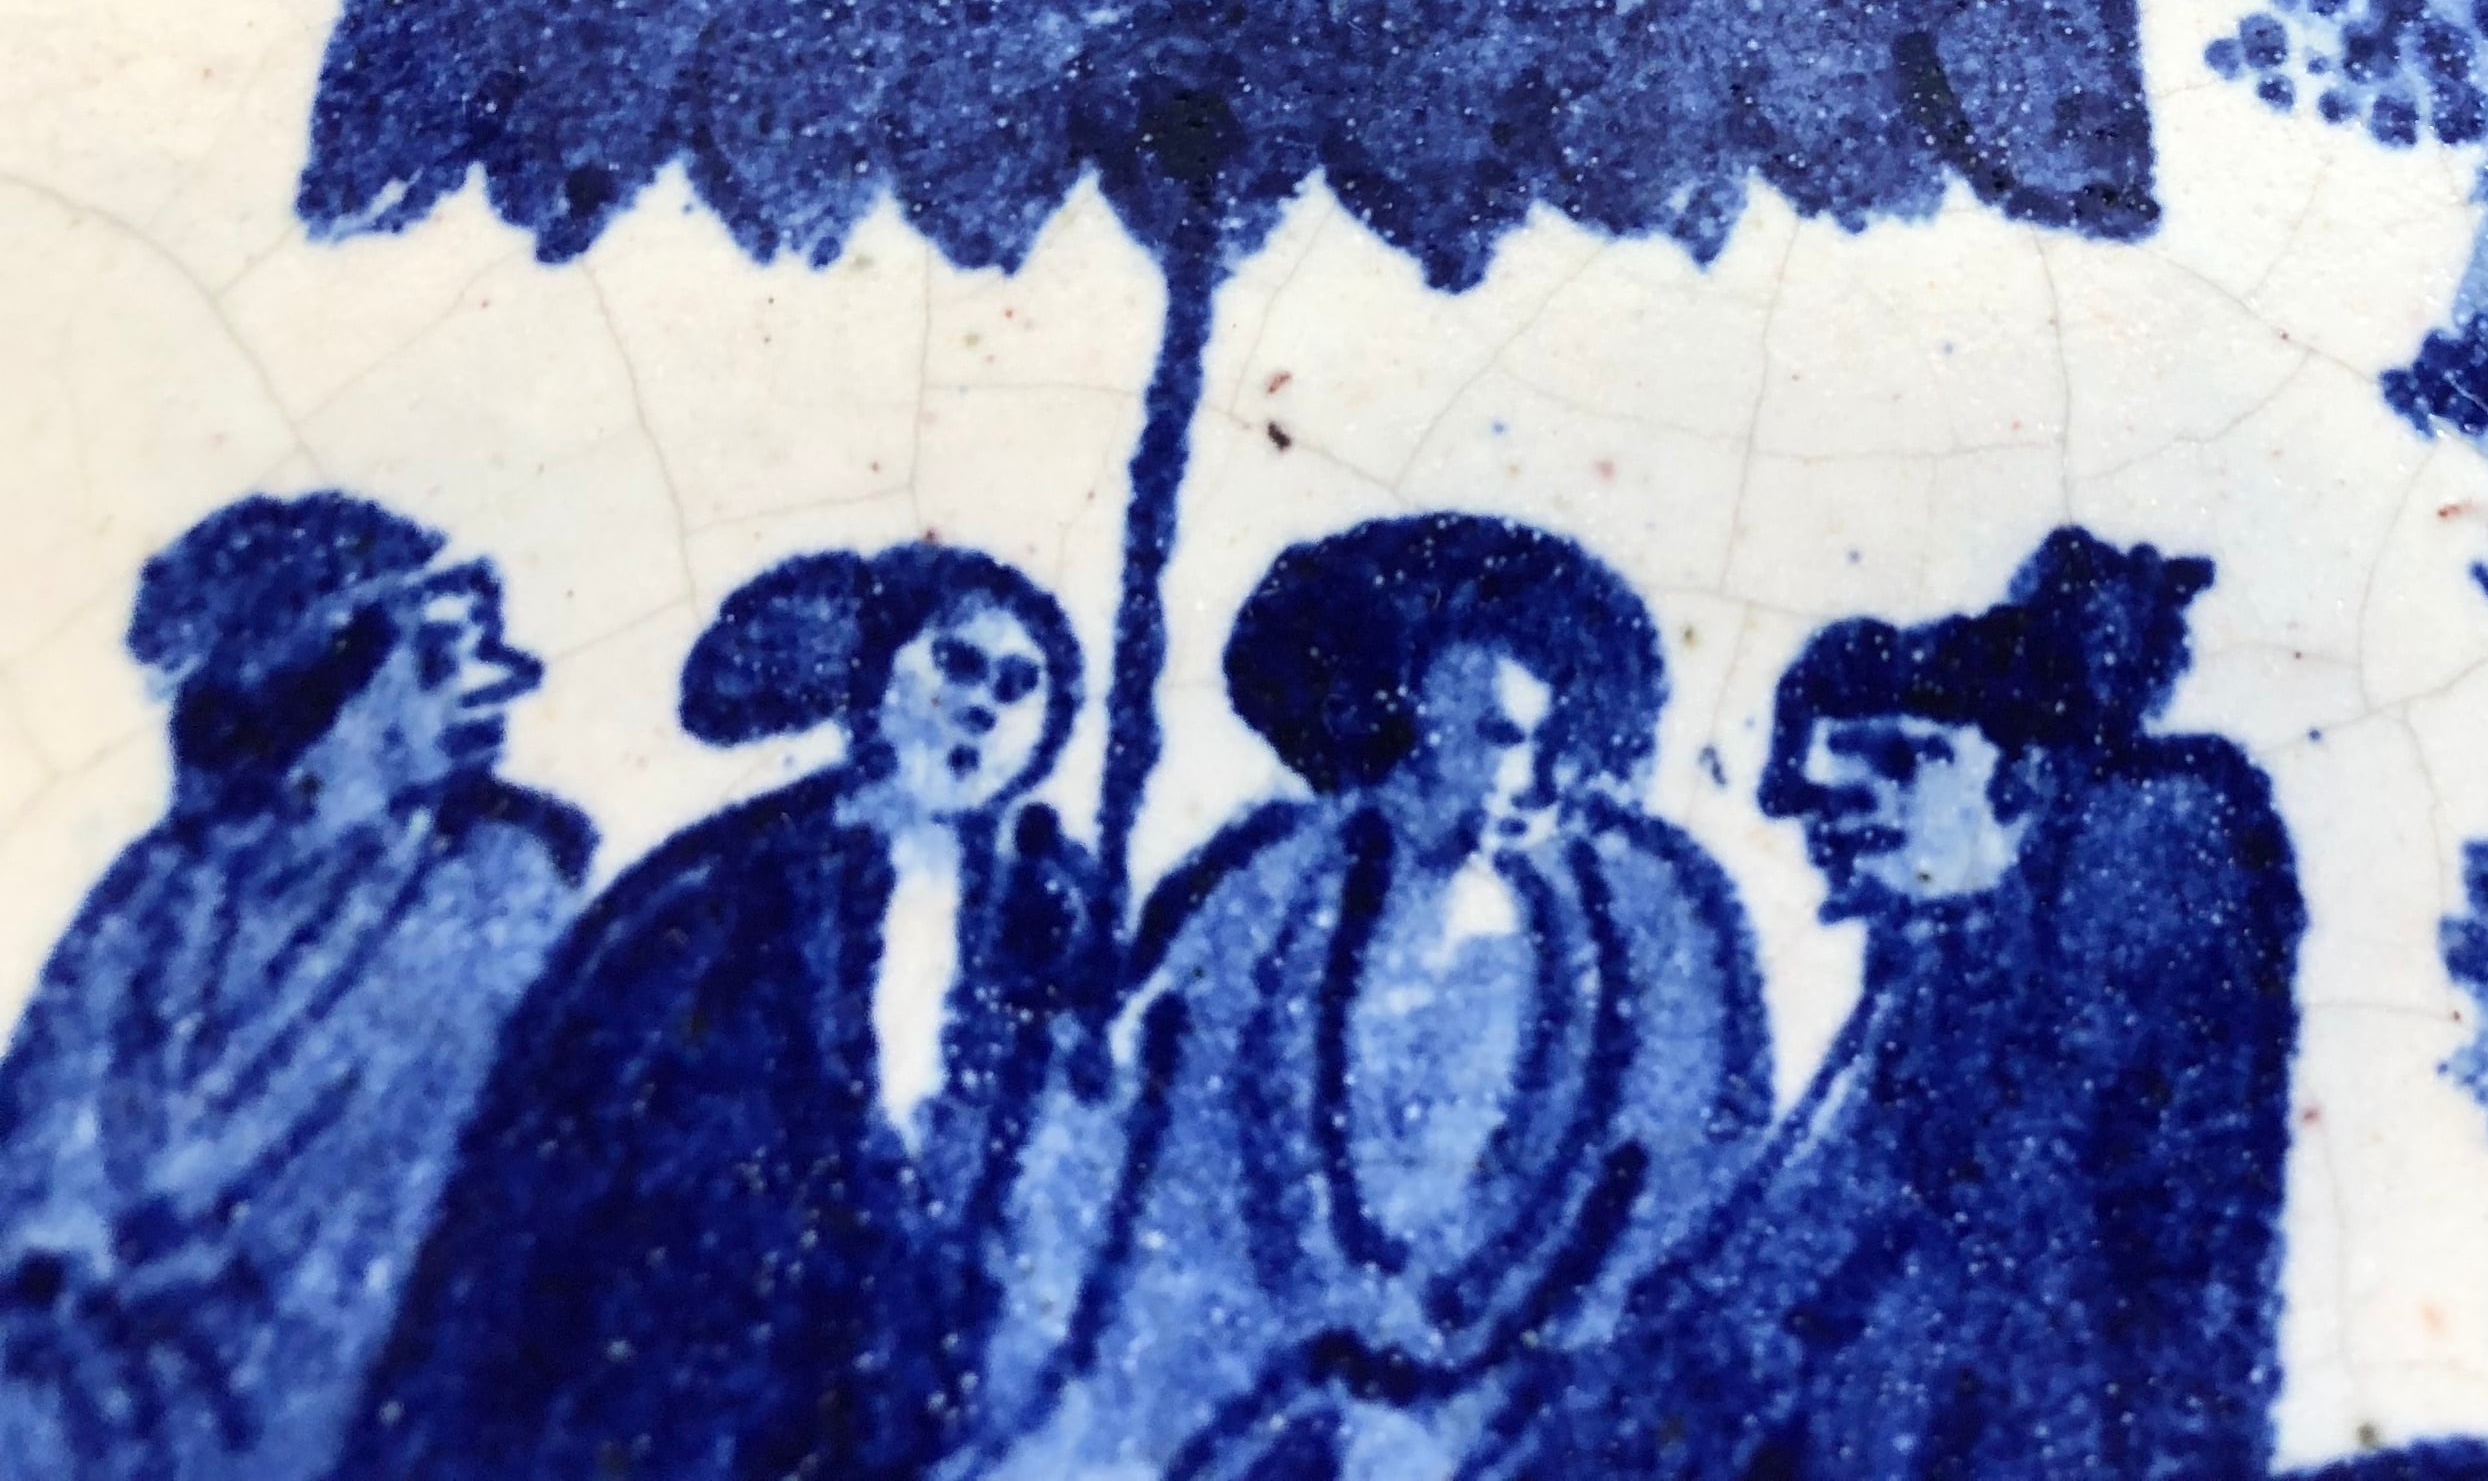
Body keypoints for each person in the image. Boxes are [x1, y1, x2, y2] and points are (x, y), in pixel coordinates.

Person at [1475, 526, 2302, 1481]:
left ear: (2029, 776)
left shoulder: (2145, 857)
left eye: (1907, 761)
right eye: (1839, 779)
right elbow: (1821, 1217)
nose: (1852, 809)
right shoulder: (1939, 960)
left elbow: (2007, 1212)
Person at [979, 515, 1766, 1481]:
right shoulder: (1267, 885)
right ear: (1397, 712)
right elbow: (1144, 1156)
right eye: (1501, 734)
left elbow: (1680, 1190)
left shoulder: (1647, 920)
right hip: (1242, 1380)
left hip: (1516, 1411)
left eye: (1561, 740)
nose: (1535, 778)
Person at [354, 543, 1103, 1481]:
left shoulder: (1026, 934)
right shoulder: (726, 890)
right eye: (956, 662)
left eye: (1018, 686)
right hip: (673, 1387)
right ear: (877, 671)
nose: (981, 706)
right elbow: (548, 1164)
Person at [0, 494, 589, 1481]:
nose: (497, 681)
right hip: (105, 1371)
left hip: (333, 1387)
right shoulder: (158, 889)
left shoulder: (490, 889)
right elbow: (40, 1138)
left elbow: (408, 1206)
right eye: (437, 649)